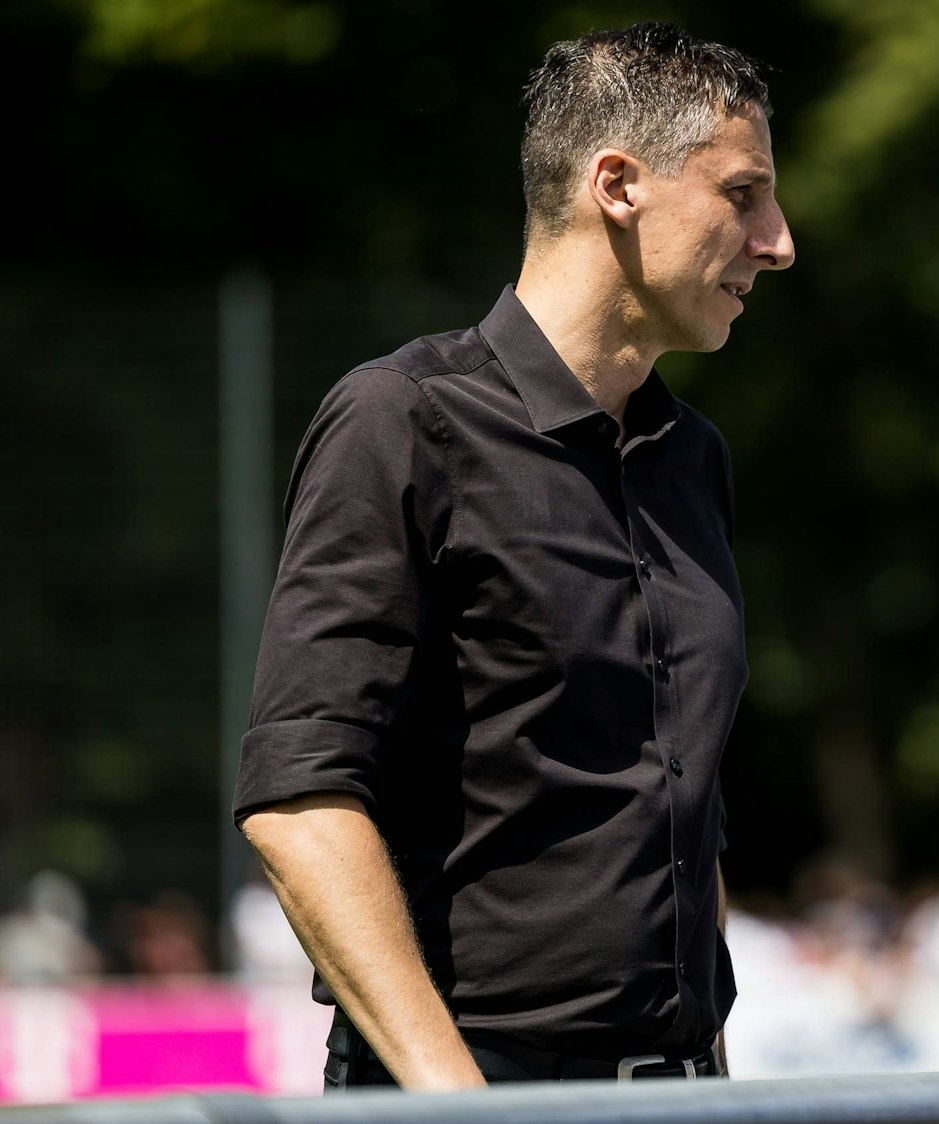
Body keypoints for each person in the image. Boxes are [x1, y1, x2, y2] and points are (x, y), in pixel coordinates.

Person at [233, 22, 794, 1090]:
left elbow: (685, 810)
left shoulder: (693, 458)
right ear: (616, 184)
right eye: (743, 193)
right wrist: (465, 1110)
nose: (778, 240)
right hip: (464, 1089)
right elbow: (299, 804)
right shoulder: (402, 418)